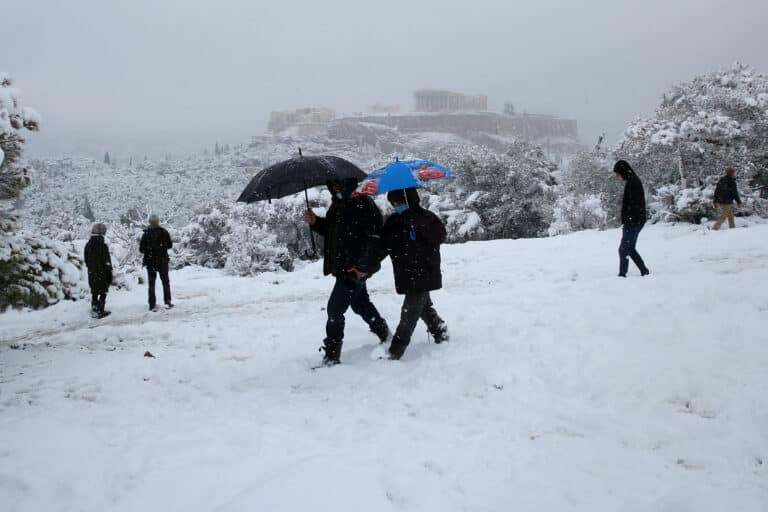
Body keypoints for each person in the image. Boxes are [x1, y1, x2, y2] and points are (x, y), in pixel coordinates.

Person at [304, 178, 390, 365]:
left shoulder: (363, 204)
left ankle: (332, 355)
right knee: (360, 304)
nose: (335, 189)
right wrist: (316, 222)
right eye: (332, 186)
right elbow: (332, 231)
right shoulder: (338, 205)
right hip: (344, 266)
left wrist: (362, 267)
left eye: (338, 185)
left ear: (348, 184)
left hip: (354, 269)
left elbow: (375, 239)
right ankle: (383, 331)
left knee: (334, 310)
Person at [381, 188, 449, 360]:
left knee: (409, 312)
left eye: (399, 203)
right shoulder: (393, 221)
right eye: (393, 203)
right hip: (405, 273)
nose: (396, 206)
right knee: (422, 306)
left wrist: (415, 223)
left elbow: (440, 236)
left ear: (409, 200)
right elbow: (382, 245)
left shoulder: (426, 217)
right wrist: (364, 266)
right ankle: (439, 329)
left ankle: (396, 350)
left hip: (424, 271)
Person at [613, 160, 650, 277]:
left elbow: (634, 204)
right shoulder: (632, 181)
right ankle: (644, 270)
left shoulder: (633, 182)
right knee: (630, 248)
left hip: (633, 222)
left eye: (618, 173)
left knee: (624, 249)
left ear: (623, 171)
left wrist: (629, 219)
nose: (617, 176)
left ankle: (622, 274)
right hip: (635, 221)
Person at [139, 213, 173, 311]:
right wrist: (161, 247)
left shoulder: (145, 234)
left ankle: (152, 304)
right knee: (165, 282)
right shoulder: (164, 232)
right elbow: (170, 245)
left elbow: (141, 249)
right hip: (162, 261)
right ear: (158, 222)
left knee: (151, 283)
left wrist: (150, 250)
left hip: (150, 262)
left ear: (149, 222)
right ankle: (167, 301)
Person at [84, 223, 113, 318]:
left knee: (94, 291)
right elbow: (107, 261)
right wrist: (109, 272)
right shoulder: (103, 246)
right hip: (103, 273)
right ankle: (100, 310)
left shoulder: (88, 245)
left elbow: (86, 259)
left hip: (92, 272)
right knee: (103, 291)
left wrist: (91, 267)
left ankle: (94, 308)